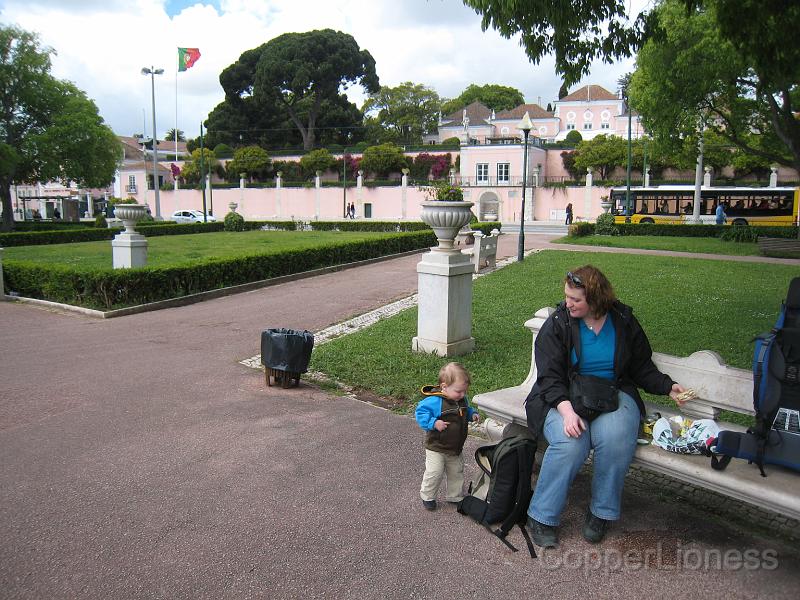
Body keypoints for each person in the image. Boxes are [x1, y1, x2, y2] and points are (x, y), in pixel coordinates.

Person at [524, 266, 688, 547]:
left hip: (613, 392)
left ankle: (600, 512)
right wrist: (566, 412)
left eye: (576, 299)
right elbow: (550, 378)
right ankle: (541, 515)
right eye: (566, 297)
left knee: (615, 440)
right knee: (570, 442)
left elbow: (640, 366)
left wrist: (666, 385)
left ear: (597, 299)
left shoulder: (623, 320)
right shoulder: (559, 323)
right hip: (562, 396)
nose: (568, 303)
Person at [415, 362, 481, 510]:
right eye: (459, 391)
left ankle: (454, 495)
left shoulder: (460, 399)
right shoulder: (435, 401)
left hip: (455, 448)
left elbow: (465, 409)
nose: (463, 395)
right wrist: (433, 423)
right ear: (444, 387)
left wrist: (472, 414)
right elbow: (420, 413)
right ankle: (427, 495)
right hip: (436, 447)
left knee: (457, 472)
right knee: (434, 473)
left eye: (465, 391)